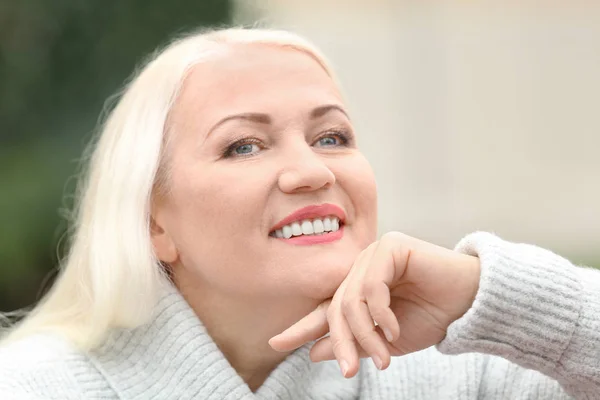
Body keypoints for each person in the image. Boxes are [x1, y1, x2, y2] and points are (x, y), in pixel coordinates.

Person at [0, 27, 597, 400]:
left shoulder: (466, 374)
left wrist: (487, 295)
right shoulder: (32, 387)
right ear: (155, 224)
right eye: (244, 146)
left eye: (332, 137)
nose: (313, 170)